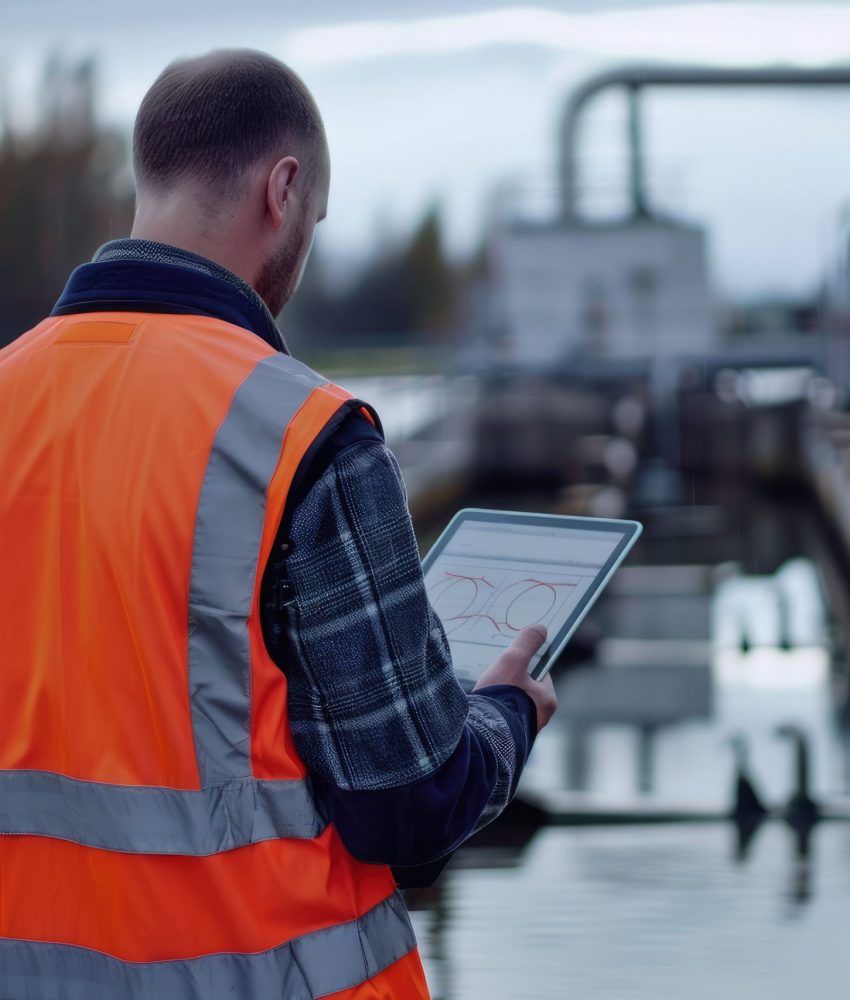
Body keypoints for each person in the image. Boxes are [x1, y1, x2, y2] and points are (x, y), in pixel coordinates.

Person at [0, 49, 556, 999]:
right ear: (284, 188)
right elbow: (409, 805)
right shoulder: (304, 433)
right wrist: (505, 713)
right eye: (317, 219)